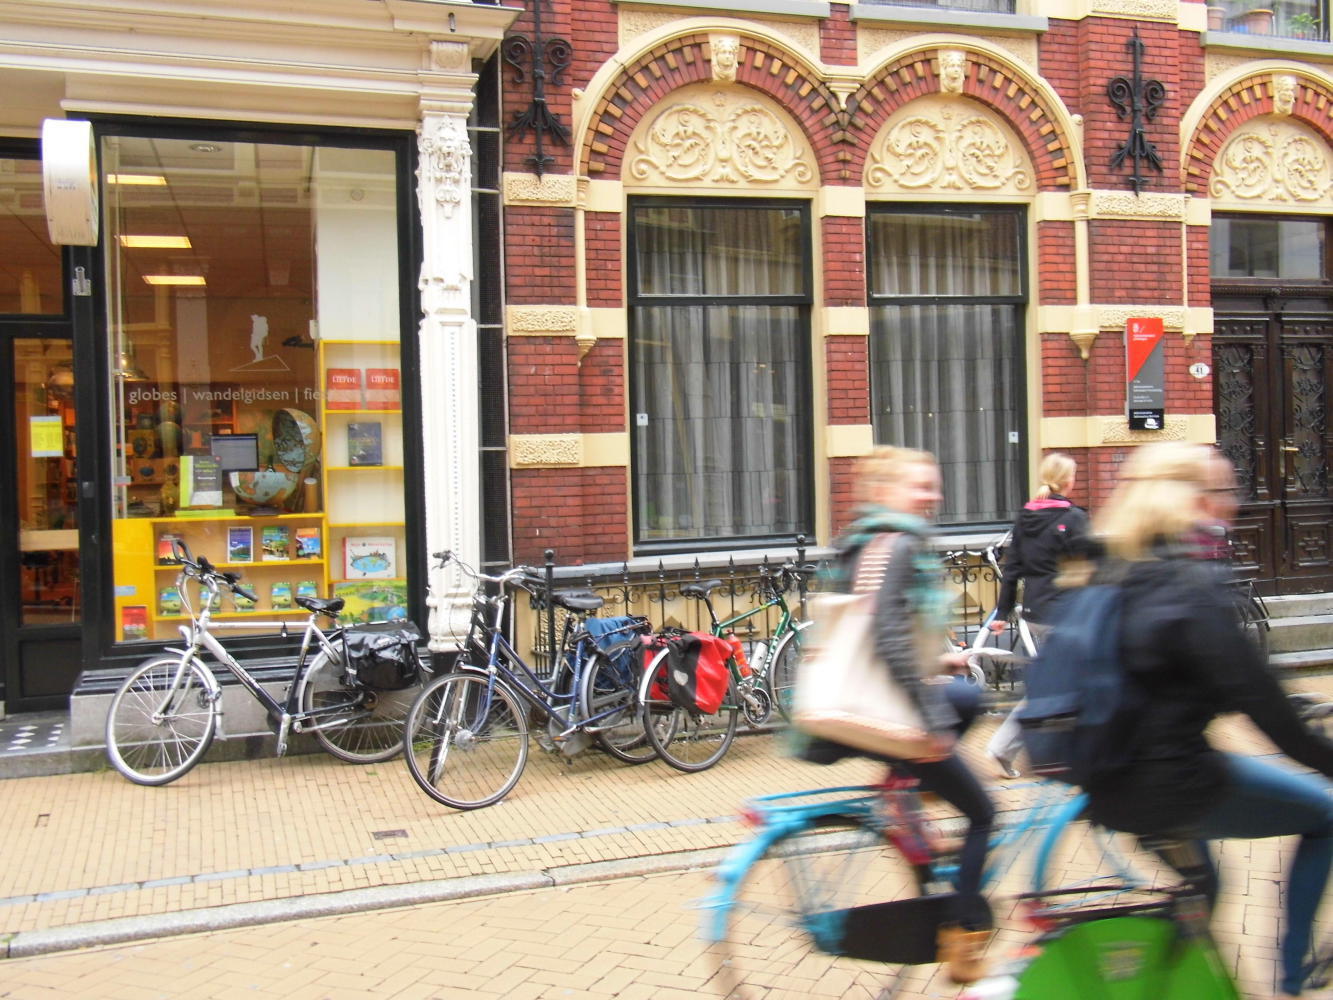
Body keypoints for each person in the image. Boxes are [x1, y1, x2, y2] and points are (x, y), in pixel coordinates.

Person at [1080, 441, 1333, 1000]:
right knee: (1326, 814)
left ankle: (1164, 980)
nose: (1234, 502)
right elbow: (1264, 706)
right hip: (1174, 782)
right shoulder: (1192, 585)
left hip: (1107, 780)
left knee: (1205, 890)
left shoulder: (1114, 571)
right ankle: (1291, 978)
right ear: (1194, 499)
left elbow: (1160, 676)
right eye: (1224, 490)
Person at [801, 446, 996, 983]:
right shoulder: (901, 544)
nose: (933, 495)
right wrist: (932, 725)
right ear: (886, 491)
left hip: (851, 706)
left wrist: (937, 663)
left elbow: (867, 634)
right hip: (885, 713)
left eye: (933, 484)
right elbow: (887, 638)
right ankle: (962, 936)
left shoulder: (864, 540)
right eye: (920, 485)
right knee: (984, 814)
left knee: (968, 698)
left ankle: (904, 794)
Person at [983, 452, 1090, 779]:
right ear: (1068, 480)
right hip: (1067, 612)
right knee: (1072, 681)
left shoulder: (1026, 517)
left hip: (1035, 611)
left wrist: (1002, 611)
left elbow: (1013, 568)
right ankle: (1014, 748)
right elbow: (1091, 568)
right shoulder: (1074, 519)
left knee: (1061, 682)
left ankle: (1041, 750)